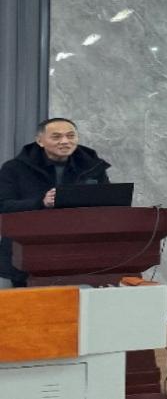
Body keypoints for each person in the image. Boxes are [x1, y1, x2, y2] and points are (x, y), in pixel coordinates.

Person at [0, 118, 110, 288]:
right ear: (40, 141)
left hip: (78, 251)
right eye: (56, 137)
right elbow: (4, 206)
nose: (65, 141)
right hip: (27, 252)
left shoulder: (92, 166)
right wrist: (40, 202)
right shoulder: (14, 168)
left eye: (70, 136)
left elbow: (108, 203)